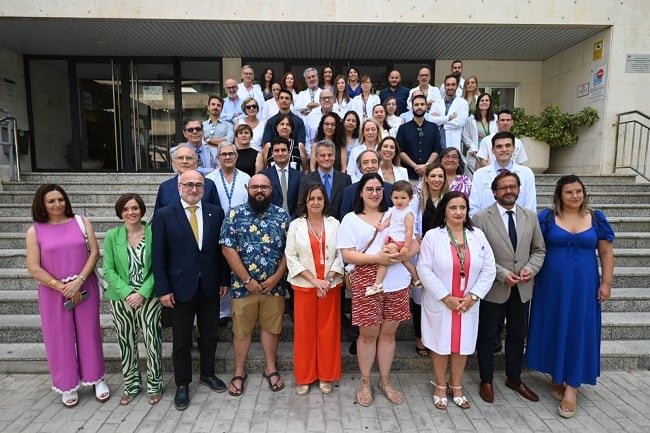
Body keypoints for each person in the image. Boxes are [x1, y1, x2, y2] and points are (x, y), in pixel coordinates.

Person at [526, 175, 615, 418]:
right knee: (555, 327)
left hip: (585, 286)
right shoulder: (546, 218)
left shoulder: (596, 219)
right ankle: (557, 374)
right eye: (569, 192)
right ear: (560, 195)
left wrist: (606, 283)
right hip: (551, 286)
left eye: (579, 191)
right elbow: (535, 249)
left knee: (579, 329)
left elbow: (606, 253)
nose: (575, 196)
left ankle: (572, 389)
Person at [337, 173, 418, 407]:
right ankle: (365, 380)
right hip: (366, 282)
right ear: (360, 192)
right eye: (369, 189)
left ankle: (384, 379)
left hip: (397, 281)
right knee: (368, 334)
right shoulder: (351, 219)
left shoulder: (397, 211)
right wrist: (377, 257)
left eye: (379, 189)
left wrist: (402, 254)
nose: (374, 193)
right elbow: (347, 254)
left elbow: (416, 241)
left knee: (389, 333)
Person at [26, 184, 109, 408]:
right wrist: (62, 287)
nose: (57, 204)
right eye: (51, 201)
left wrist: (79, 281)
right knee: (59, 337)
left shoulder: (81, 221)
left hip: (84, 286)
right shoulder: (35, 231)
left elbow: (94, 253)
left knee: (89, 332)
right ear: (42, 204)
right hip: (54, 292)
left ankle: (96, 378)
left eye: (60, 199)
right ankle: (67, 384)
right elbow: (33, 268)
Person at [152, 170, 229, 410]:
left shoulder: (215, 213)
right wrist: (163, 289)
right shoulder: (165, 215)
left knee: (209, 335)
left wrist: (224, 280)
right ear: (179, 187)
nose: (194, 189)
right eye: (189, 185)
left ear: (204, 188)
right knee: (182, 340)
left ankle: (207, 373)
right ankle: (182, 384)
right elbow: (158, 255)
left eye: (199, 185)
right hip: (179, 288)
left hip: (210, 285)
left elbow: (221, 251)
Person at [416, 191, 496, 410]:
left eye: (462, 207)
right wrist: (445, 297)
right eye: (453, 207)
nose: (458, 212)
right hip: (442, 302)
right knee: (441, 344)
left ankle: (457, 384)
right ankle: (441, 385)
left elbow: (489, 268)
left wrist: (474, 296)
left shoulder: (477, 235)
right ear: (444, 210)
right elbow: (423, 268)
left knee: (463, 346)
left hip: (468, 303)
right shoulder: (433, 236)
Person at [472, 172, 546, 404]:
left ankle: (514, 377)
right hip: (494, 287)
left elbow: (539, 250)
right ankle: (486, 380)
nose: (508, 191)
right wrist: (503, 274)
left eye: (512, 186)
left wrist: (530, 269)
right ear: (494, 192)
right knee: (487, 335)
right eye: (503, 188)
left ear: (519, 189)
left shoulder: (530, 217)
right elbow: (479, 255)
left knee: (517, 334)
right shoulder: (481, 218)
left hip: (522, 288)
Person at [220, 174, 291, 396]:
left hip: (274, 287)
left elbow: (290, 251)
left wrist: (277, 277)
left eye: (263, 187)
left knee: (272, 328)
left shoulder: (282, 215)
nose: (259, 190)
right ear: (247, 188)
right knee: (241, 331)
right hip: (243, 287)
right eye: (255, 187)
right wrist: (247, 280)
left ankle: (271, 369)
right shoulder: (234, 214)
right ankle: (239, 372)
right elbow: (227, 248)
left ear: (271, 189)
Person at [103, 193, 163, 406]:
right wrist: (128, 293)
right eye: (126, 209)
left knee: (152, 341)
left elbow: (160, 267)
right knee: (126, 342)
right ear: (120, 212)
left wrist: (142, 292)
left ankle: (155, 384)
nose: (131, 212)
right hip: (121, 299)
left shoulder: (154, 233)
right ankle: (131, 384)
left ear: (142, 210)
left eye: (135, 208)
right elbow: (108, 270)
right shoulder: (112, 236)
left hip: (149, 296)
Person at [285, 183, 344, 395]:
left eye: (319, 198)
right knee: (304, 334)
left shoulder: (335, 224)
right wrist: (315, 281)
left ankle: (326, 376)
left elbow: (341, 254)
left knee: (328, 333)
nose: (316, 202)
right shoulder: (296, 226)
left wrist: (327, 279)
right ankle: (304, 376)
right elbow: (291, 257)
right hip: (304, 287)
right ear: (305, 202)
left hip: (330, 286)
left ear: (324, 201)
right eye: (312, 199)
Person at [206, 143, 252, 326]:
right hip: (216, 229)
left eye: (231, 154)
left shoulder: (246, 178)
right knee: (220, 270)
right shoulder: (209, 179)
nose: (227, 157)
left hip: (241, 231)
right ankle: (223, 311)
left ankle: (240, 307)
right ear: (218, 158)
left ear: (236, 156)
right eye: (223, 154)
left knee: (239, 268)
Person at [411, 163, 448, 357]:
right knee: (419, 299)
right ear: (425, 178)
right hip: (421, 253)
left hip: (443, 253)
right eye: (432, 176)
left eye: (440, 176)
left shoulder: (448, 200)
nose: (436, 180)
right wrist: (414, 236)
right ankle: (420, 337)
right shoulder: (417, 201)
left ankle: (436, 337)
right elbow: (408, 224)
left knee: (439, 295)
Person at [367, 180, 421, 296]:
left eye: (403, 198)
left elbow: (409, 232)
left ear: (410, 199)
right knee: (406, 262)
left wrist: (406, 246)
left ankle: (378, 284)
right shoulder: (394, 209)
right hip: (394, 238)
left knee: (384, 258)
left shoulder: (408, 214)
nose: (399, 201)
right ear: (391, 197)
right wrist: (382, 226)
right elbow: (390, 220)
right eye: (396, 198)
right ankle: (416, 280)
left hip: (401, 241)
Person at [470, 131, 536, 217]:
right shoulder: (480, 174)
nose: (504, 149)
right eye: (499, 146)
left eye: (508, 146)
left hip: (518, 226)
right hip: (487, 226)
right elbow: (474, 207)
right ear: (493, 150)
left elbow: (530, 206)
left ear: (514, 148)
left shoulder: (526, 173)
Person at [154, 145, 221, 212]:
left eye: (189, 158)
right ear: (173, 162)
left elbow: (217, 214)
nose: (185, 161)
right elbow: (158, 216)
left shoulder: (209, 185)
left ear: (196, 162)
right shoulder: (165, 187)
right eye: (180, 158)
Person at [300, 139, 351, 221]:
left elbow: (348, 207)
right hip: (315, 225)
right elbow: (302, 206)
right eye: (322, 155)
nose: (327, 158)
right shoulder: (306, 180)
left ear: (334, 156)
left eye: (330, 155)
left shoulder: (345, 179)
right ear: (316, 158)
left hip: (340, 225)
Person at [397, 94, 442, 180]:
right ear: (412, 107)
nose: (419, 107)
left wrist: (426, 166)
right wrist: (415, 166)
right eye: (416, 105)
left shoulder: (433, 127)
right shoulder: (403, 128)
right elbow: (400, 151)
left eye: (422, 104)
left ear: (426, 107)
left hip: (429, 175)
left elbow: (437, 149)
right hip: (408, 175)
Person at [260, 136, 304, 217]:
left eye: (283, 150)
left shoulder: (300, 176)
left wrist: (293, 220)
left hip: (295, 222)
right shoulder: (263, 176)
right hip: (271, 221)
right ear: (272, 153)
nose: (280, 153)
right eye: (276, 151)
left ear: (289, 152)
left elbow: (302, 202)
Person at [430, 74, 469, 152]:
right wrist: (449, 118)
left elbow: (461, 121)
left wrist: (441, 123)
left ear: (457, 86)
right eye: (448, 85)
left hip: (453, 142)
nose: (450, 87)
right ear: (444, 86)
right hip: (438, 144)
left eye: (453, 84)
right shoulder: (436, 103)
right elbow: (431, 121)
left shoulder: (463, 103)